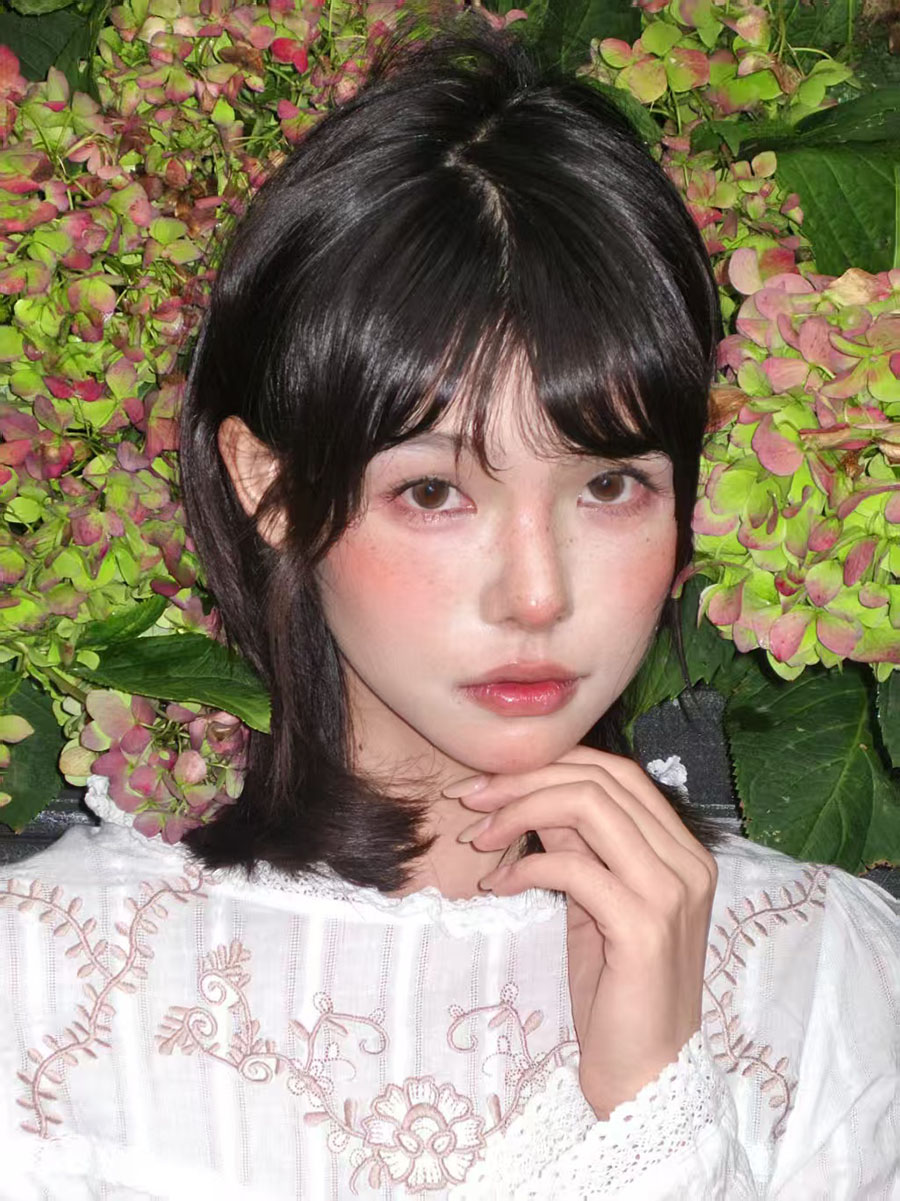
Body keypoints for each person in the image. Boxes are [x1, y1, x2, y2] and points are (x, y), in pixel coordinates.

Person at [2, 13, 898, 1199]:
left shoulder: (831, 976)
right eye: (434, 492)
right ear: (269, 487)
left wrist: (654, 1097)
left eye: (611, 485)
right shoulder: (41, 986)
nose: (537, 593)